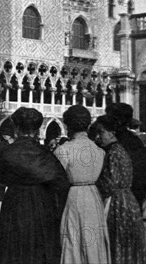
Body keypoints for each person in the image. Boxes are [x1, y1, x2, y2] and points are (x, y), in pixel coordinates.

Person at [0, 107, 70, 264]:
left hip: (15, 203)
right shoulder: (45, 153)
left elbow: (1, 179)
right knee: (38, 247)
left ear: (17, 127)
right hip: (41, 204)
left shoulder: (7, 152)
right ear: (37, 129)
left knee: (12, 247)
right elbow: (60, 181)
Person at [54, 106, 110, 264]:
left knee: (74, 238)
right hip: (93, 197)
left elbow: (56, 180)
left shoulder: (64, 150)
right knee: (93, 241)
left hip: (74, 197)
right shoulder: (99, 150)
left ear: (68, 125)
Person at [94, 115, 146, 264]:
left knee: (117, 243)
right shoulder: (119, 150)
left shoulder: (114, 153)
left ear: (112, 133)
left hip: (118, 204)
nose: (99, 137)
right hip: (129, 202)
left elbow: (110, 183)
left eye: (102, 132)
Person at [105, 103, 146, 211]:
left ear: (116, 120)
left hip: (118, 196)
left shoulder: (115, 142)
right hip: (134, 194)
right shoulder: (136, 141)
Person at [0, 121, 15, 202]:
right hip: (2, 166)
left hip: (8, 166)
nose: (6, 136)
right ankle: (0, 197)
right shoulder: (1, 144)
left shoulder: (11, 144)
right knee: (1, 184)